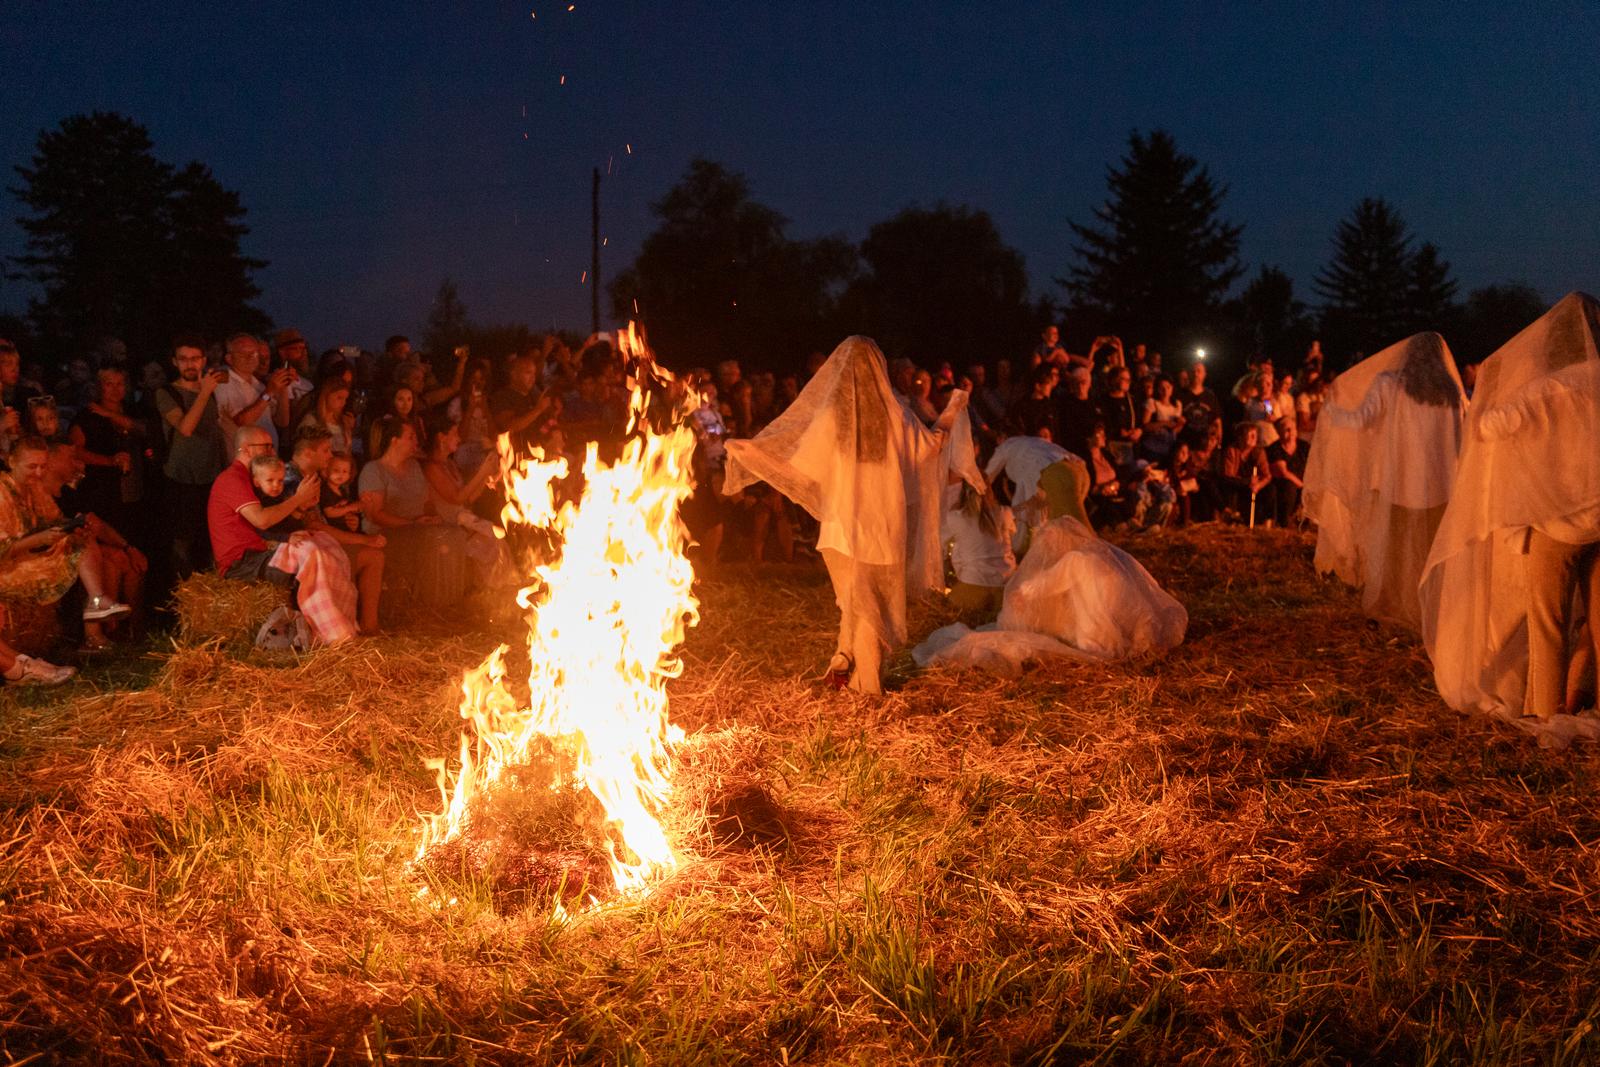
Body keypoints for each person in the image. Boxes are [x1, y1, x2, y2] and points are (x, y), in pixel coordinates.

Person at [724, 336, 963, 694]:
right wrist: (954, 408)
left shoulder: (832, 419)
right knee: (867, 605)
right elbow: (932, 446)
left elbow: (800, 463)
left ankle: (845, 660)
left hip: (839, 528)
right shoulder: (896, 418)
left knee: (855, 599)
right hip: (881, 527)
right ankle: (866, 685)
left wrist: (753, 451)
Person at [1422, 293, 1600, 721]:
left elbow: (1489, 425)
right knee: (1596, 625)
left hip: (1556, 525)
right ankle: (1583, 699)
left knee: (1548, 626)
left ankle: (1547, 719)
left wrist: (1498, 388)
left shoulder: (1551, 387)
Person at [1306, 332, 1465, 631]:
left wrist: (1331, 411)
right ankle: (1435, 611)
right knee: (1433, 555)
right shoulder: (1452, 392)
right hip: (1443, 488)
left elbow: (1360, 420)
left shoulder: (1391, 384)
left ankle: (1393, 610)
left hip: (1401, 486)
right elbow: (1461, 439)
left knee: (1395, 556)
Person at [208, 426, 358, 645]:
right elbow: (262, 520)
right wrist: (298, 500)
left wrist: (299, 510)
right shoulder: (233, 479)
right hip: (242, 560)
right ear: (248, 449)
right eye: (267, 446)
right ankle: (325, 633)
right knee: (311, 556)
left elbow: (273, 522)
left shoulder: (253, 477)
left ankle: (337, 621)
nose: (272, 452)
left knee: (323, 543)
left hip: (261, 548)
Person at [0, 436, 131, 636]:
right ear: (11, 462)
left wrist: (71, 527)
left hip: (33, 555)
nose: (39, 473)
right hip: (9, 566)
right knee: (81, 548)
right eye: (32, 467)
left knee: (81, 539)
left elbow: (54, 520)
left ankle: (97, 608)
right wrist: (38, 539)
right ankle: (95, 613)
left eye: (43, 467)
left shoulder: (34, 487)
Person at [359, 415, 475, 611]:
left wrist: (430, 516)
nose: (416, 441)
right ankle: (433, 603)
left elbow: (427, 501)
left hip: (417, 527)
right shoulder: (374, 470)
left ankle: (451, 600)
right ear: (394, 441)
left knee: (454, 534)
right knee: (437, 539)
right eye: (411, 437)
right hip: (387, 534)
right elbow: (374, 515)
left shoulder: (413, 466)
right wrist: (411, 523)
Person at [156, 337, 230, 575]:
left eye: (195, 358)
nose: (190, 364)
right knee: (182, 541)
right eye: (184, 359)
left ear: (204, 361)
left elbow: (221, 426)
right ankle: (183, 596)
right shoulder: (166, 393)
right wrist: (204, 392)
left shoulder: (212, 391)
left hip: (211, 475)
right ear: (174, 362)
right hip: (181, 478)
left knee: (211, 538)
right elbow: (186, 428)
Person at [69, 367, 147, 538]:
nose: (115, 389)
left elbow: (145, 430)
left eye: (120, 384)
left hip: (135, 489)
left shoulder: (133, 410)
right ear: (99, 386)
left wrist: (110, 414)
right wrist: (109, 461)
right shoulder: (87, 416)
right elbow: (75, 451)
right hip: (101, 491)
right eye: (109, 384)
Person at [942, 481, 1015, 620]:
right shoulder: (1005, 513)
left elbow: (939, 545)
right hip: (1005, 586)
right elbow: (1012, 541)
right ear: (990, 490)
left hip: (972, 585)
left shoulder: (956, 517)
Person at [214, 333, 293, 449]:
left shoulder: (259, 385)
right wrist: (270, 392)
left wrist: (283, 387)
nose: (250, 358)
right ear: (229, 359)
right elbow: (241, 422)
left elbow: (282, 422)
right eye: (243, 354)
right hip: (246, 460)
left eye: (254, 353)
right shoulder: (224, 382)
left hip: (268, 457)